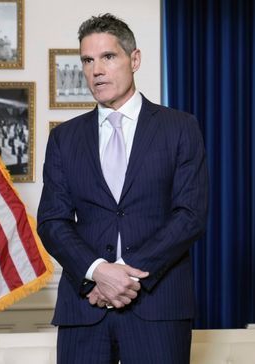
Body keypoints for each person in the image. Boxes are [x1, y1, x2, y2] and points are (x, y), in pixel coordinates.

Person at [37, 13, 208, 364]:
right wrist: (98, 271)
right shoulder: (64, 139)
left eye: (108, 57)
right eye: (87, 60)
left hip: (157, 307)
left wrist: (125, 275)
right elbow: (52, 221)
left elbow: (190, 215)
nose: (96, 70)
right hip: (85, 306)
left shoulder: (180, 127)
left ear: (135, 59)